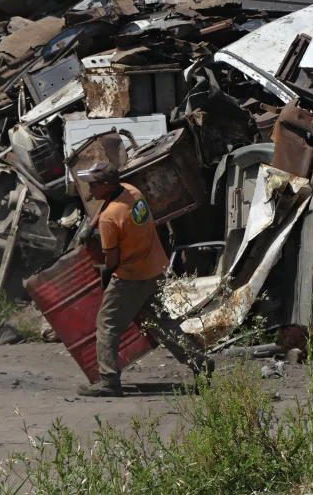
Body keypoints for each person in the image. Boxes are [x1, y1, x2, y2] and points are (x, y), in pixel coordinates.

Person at [76, 161, 213, 397]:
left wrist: (103, 275)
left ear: (106, 185)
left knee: (107, 324)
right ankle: (199, 362)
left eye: (93, 185)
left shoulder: (110, 219)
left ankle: (108, 380)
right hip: (154, 267)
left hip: (131, 276)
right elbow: (108, 204)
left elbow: (112, 261)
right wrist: (91, 223)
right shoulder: (132, 192)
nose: (89, 191)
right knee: (161, 323)